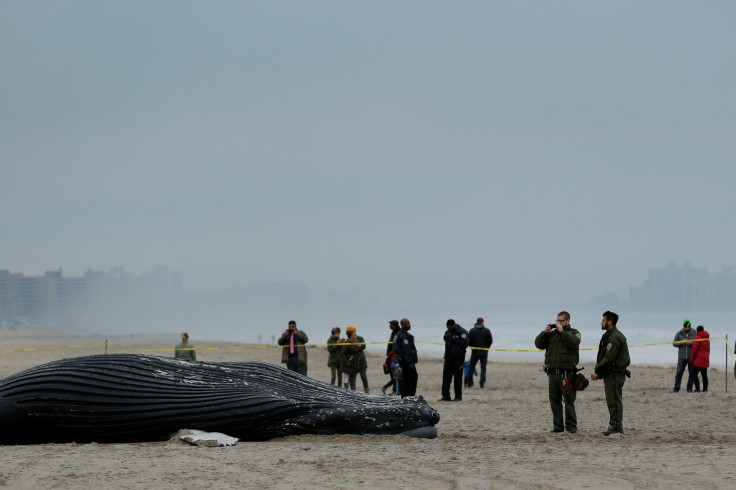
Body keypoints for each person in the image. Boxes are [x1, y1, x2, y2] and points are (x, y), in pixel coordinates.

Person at [534, 311, 581, 433]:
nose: (559, 323)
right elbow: (538, 344)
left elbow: (573, 343)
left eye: (561, 321)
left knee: (568, 400)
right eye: (557, 320)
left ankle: (571, 427)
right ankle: (558, 427)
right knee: (554, 401)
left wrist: (562, 331)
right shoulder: (552, 334)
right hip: (552, 373)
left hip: (567, 373)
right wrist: (545, 333)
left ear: (568, 321)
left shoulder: (574, 333)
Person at [592, 310, 631, 436]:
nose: (601, 322)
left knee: (614, 400)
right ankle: (615, 425)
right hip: (611, 373)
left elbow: (609, 358)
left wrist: (597, 370)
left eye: (603, 320)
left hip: (615, 373)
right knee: (612, 400)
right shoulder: (610, 335)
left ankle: (616, 426)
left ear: (610, 322)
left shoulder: (614, 337)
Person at [439, 319, 468, 401]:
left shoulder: (462, 332)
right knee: (446, 377)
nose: (448, 329)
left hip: (458, 358)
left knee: (458, 378)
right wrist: (452, 337)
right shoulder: (447, 332)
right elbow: (445, 338)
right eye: (447, 328)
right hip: (448, 358)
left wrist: (456, 339)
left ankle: (458, 396)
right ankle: (445, 395)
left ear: (453, 325)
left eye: (449, 327)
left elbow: (465, 344)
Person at [672, 318, 700, 393]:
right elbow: (674, 343)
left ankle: (689, 388)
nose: (686, 328)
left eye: (688, 327)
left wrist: (691, 344)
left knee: (691, 373)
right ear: (683, 326)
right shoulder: (679, 333)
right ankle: (676, 388)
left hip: (692, 357)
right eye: (685, 327)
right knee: (679, 372)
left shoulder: (695, 333)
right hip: (682, 357)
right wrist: (682, 343)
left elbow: (698, 344)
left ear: (690, 326)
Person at [393, 318, 418, 397]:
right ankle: (409, 396)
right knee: (410, 379)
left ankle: (406, 396)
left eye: (409, 323)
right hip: (406, 362)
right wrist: (410, 362)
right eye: (407, 324)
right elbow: (406, 350)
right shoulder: (403, 336)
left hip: (402, 361)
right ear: (403, 325)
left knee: (405, 379)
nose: (409, 325)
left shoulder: (398, 334)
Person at [466, 317, 493, 388]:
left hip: (475, 351)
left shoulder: (472, 330)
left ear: (476, 322)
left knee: (471, 367)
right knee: (483, 368)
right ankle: (482, 382)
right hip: (484, 352)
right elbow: (490, 341)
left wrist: (472, 347)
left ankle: (470, 383)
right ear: (482, 322)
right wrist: (487, 348)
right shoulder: (487, 330)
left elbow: (469, 341)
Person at [380, 320, 400, 395]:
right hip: (390, 355)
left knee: (396, 374)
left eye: (391, 324)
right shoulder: (393, 332)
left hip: (394, 356)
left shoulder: (398, 333)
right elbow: (389, 345)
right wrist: (387, 355)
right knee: (393, 375)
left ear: (394, 325)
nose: (389, 326)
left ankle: (392, 389)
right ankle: (393, 390)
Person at [690, 325, 710, 392]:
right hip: (705, 358)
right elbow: (708, 350)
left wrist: (691, 359)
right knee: (704, 375)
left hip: (699, 359)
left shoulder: (697, 337)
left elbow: (694, 350)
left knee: (694, 374)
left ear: (697, 330)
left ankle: (697, 389)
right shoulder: (707, 339)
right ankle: (705, 389)